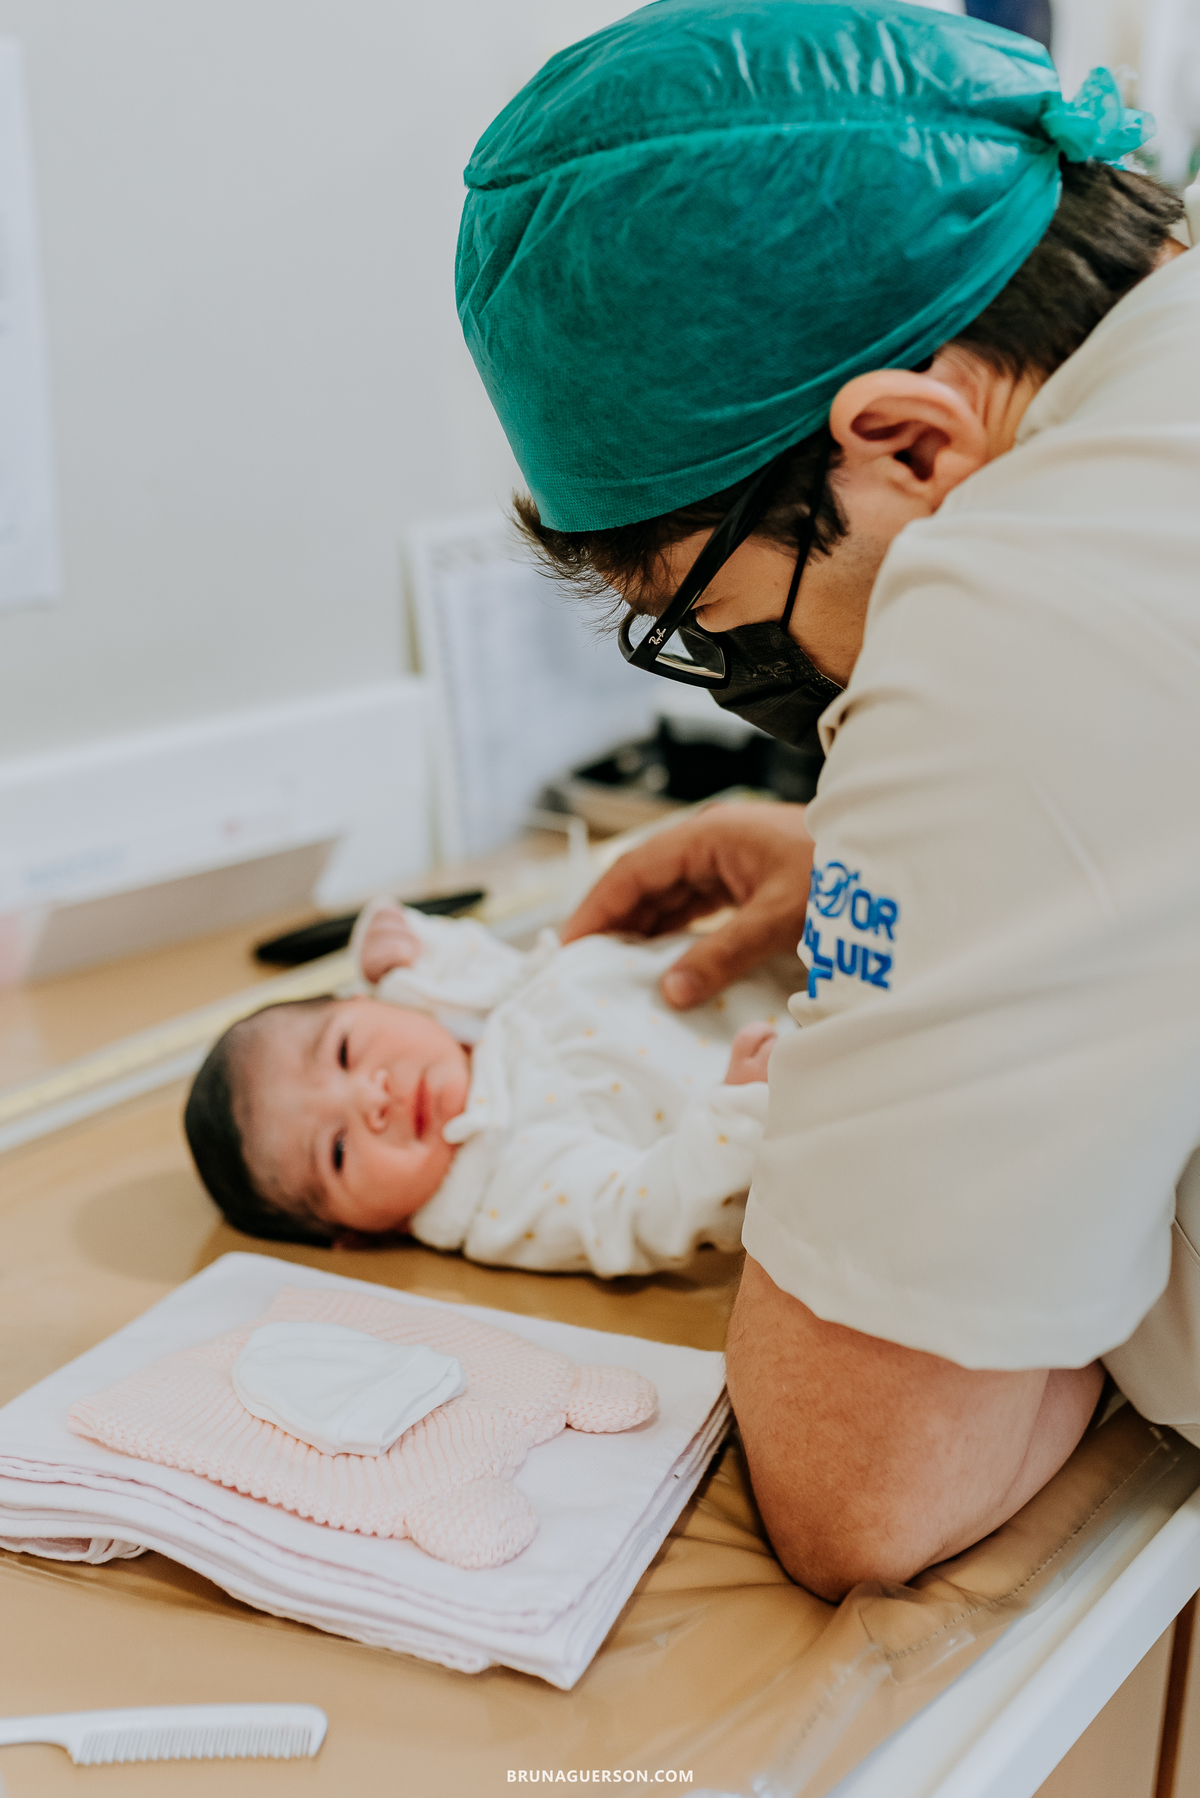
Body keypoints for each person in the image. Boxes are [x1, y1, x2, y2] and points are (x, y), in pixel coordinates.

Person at [454, 0, 1200, 1599]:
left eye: (734, 633)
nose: (767, 687)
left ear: (909, 443)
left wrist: (963, 883)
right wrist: (929, 880)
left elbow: (865, 1482)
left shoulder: (1026, 603)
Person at [184, 900, 788, 1272]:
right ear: (358, 1234)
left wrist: (389, 935)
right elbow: (643, 1211)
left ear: (358, 1001)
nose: (372, 1098)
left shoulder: (439, 1006)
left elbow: (437, 946)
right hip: (791, 1086)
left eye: (343, 1051)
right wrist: (737, 1118)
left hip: (782, 948)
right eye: (338, 1151)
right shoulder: (504, 1195)